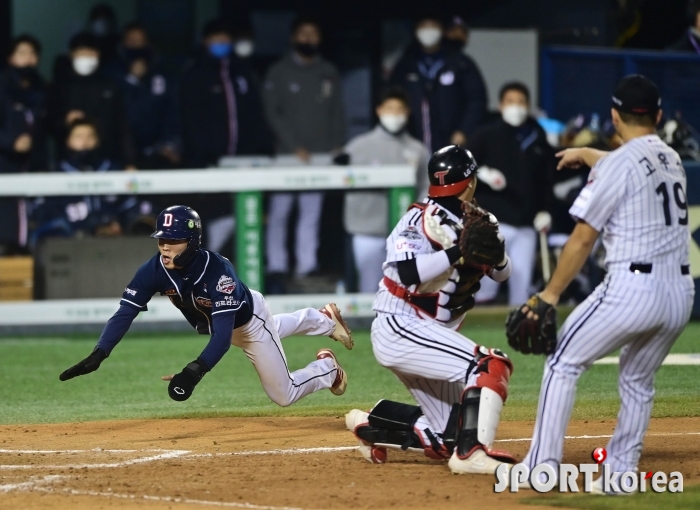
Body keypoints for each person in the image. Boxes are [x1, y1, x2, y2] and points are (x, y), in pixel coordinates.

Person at [506, 75, 695, 493]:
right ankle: (621, 472)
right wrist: (587, 153)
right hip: (680, 296)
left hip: (632, 290)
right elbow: (630, 160)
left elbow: (582, 239)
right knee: (637, 381)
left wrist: (549, 295)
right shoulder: (673, 159)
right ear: (658, 116)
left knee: (562, 363)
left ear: (614, 116)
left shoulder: (616, 165)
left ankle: (542, 466)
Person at [58, 205, 354, 406]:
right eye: (162, 239)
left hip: (247, 322)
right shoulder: (153, 270)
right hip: (228, 323)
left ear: (192, 241)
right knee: (275, 329)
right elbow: (126, 312)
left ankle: (328, 369)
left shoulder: (218, 273)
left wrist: (194, 371)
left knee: (283, 394)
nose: (164, 246)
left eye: (173, 239)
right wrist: (101, 352)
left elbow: (223, 338)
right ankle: (324, 319)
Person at [345, 146, 516, 475]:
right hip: (401, 325)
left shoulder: (478, 220)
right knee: (490, 365)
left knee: (446, 438)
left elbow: (502, 273)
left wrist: (496, 251)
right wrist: (456, 253)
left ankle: (370, 424)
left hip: (430, 333)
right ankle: (472, 455)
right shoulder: (418, 219)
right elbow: (408, 274)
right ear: (469, 182)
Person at [263, 16, 346, 279]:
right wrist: (293, 145)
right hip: (287, 155)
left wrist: (337, 144)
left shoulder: (328, 71)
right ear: (293, 37)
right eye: (303, 34)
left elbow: (337, 111)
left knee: (311, 214)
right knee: (280, 212)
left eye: (313, 34)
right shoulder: (278, 71)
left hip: (321, 155)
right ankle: (277, 265)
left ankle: (306, 265)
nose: (308, 39)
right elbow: (271, 113)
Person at [470, 81, 556, 305]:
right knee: (485, 279)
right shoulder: (486, 135)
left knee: (521, 280)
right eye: (510, 102)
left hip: (527, 221)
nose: (516, 107)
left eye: (520, 102)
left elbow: (546, 181)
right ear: (500, 105)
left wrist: (546, 211)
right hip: (493, 219)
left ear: (528, 106)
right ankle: (476, 324)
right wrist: (483, 173)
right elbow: (462, 166)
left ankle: (518, 326)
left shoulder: (538, 138)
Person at [341, 87, 430, 292]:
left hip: (406, 233)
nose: (395, 114)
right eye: (390, 108)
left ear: (407, 112)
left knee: (405, 289)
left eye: (399, 109)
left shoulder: (418, 149)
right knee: (369, 289)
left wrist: (416, 217)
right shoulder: (357, 147)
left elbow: (426, 186)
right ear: (379, 110)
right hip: (367, 231)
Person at [389, 12, 487, 151]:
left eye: (433, 26)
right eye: (423, 26)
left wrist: (464, 130)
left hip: (452, 141)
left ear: (442, 30)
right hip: (412, 140)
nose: (428, 31)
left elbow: (477, 100)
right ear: (416, 30)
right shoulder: (406, 65)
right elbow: (392, 97)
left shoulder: (460, 63)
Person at [179, 18, 270, 167]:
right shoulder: (194, 75)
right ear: (205, 41)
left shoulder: (242, 72)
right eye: (216, 38)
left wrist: (259, 146)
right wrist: (202, 154)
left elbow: (255, 112)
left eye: (225, 38)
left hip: (243, 159)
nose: (222, 42)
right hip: (208, 161)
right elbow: (191, 119)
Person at [49, 32, 135, 167]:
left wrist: (129, 161)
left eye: (91, 53)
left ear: (98, 54)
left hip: (106, 160)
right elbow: (47, 124)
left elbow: (122, 125)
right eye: (81, 53)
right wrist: (64, 121)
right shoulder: (60, 87)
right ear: (72, 55)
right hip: (68, 163)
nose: (86, 57)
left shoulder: (109, 85)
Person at [0, 35, 48, 251]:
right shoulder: (2, 88)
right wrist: (11, 142)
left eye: (32, 54)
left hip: (35, 168)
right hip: (6, 167)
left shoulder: (42, 90)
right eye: (22, 53)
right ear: (10, 58)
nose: (28, 59)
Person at [113, 23, 181, 169]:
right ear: (123, 43)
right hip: (120, 154)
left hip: (157, 153)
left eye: (140, 40)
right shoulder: (112, 75)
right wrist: (131, 80)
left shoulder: (162, 75)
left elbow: (172, 112)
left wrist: (169, 144)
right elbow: (117, 112)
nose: (136, 45)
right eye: (131, 40)